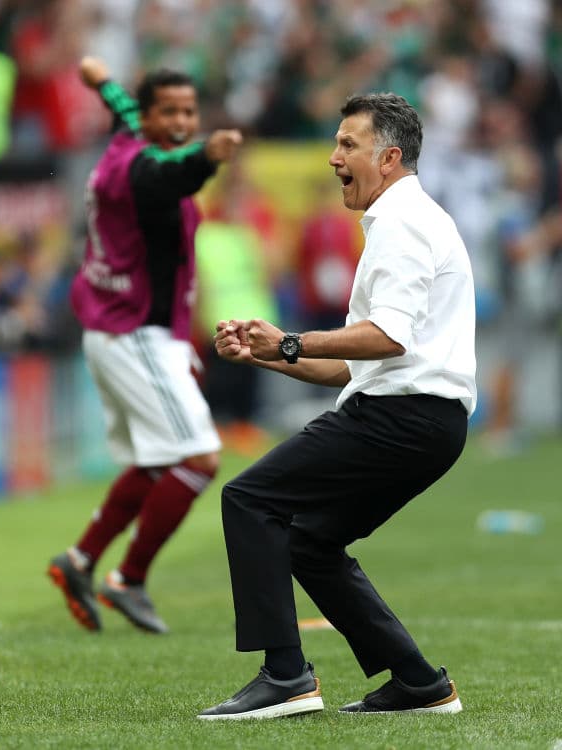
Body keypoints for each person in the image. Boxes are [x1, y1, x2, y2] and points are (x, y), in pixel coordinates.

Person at [198, 93, 475, 720]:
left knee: (249, 498)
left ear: (390, 156)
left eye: (348, 145)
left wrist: (290, 339)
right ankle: (419, 683)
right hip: (427, 421)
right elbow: (355, 362)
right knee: (309, 540)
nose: (333, 158)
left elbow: (389, 338)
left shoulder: (403, 222)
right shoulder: (404, 219)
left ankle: (287, 676)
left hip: (402, 416)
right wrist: (264, 355)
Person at [47, 56, 242, 634]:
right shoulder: (139, 169)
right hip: (133, 332)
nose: (182, 121)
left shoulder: (128, 132)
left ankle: (78, 560)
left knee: (155, 461)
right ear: (151, 118)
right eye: (171, 112)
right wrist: (206, 155)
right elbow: (171, 175)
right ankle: (129, 578)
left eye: (190, 111)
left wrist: (99, 78)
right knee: (200, 458)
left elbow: (123, 104)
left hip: (126, 329)